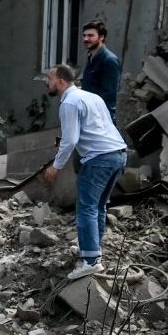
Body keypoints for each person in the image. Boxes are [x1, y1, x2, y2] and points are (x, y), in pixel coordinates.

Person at [39, 63, 129, 280]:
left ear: (60, 81)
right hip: (118, 154)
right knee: (98, 207)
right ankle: (93, 252)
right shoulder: (92, 97)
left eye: (49, 79)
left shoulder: (69, 102)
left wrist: (56, 166)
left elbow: (71, 140)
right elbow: (97, 127)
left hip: (98, 159)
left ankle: (89, 261)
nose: (46, 83)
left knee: (87, 207)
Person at [78, 19, 123, 119]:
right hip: (88, 114)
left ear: (101, 37)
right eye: (84, 35)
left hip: (102, 116)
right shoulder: (90, 57)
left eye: (90, 35)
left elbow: (109, 94)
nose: (86, 39)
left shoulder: (110, 60)